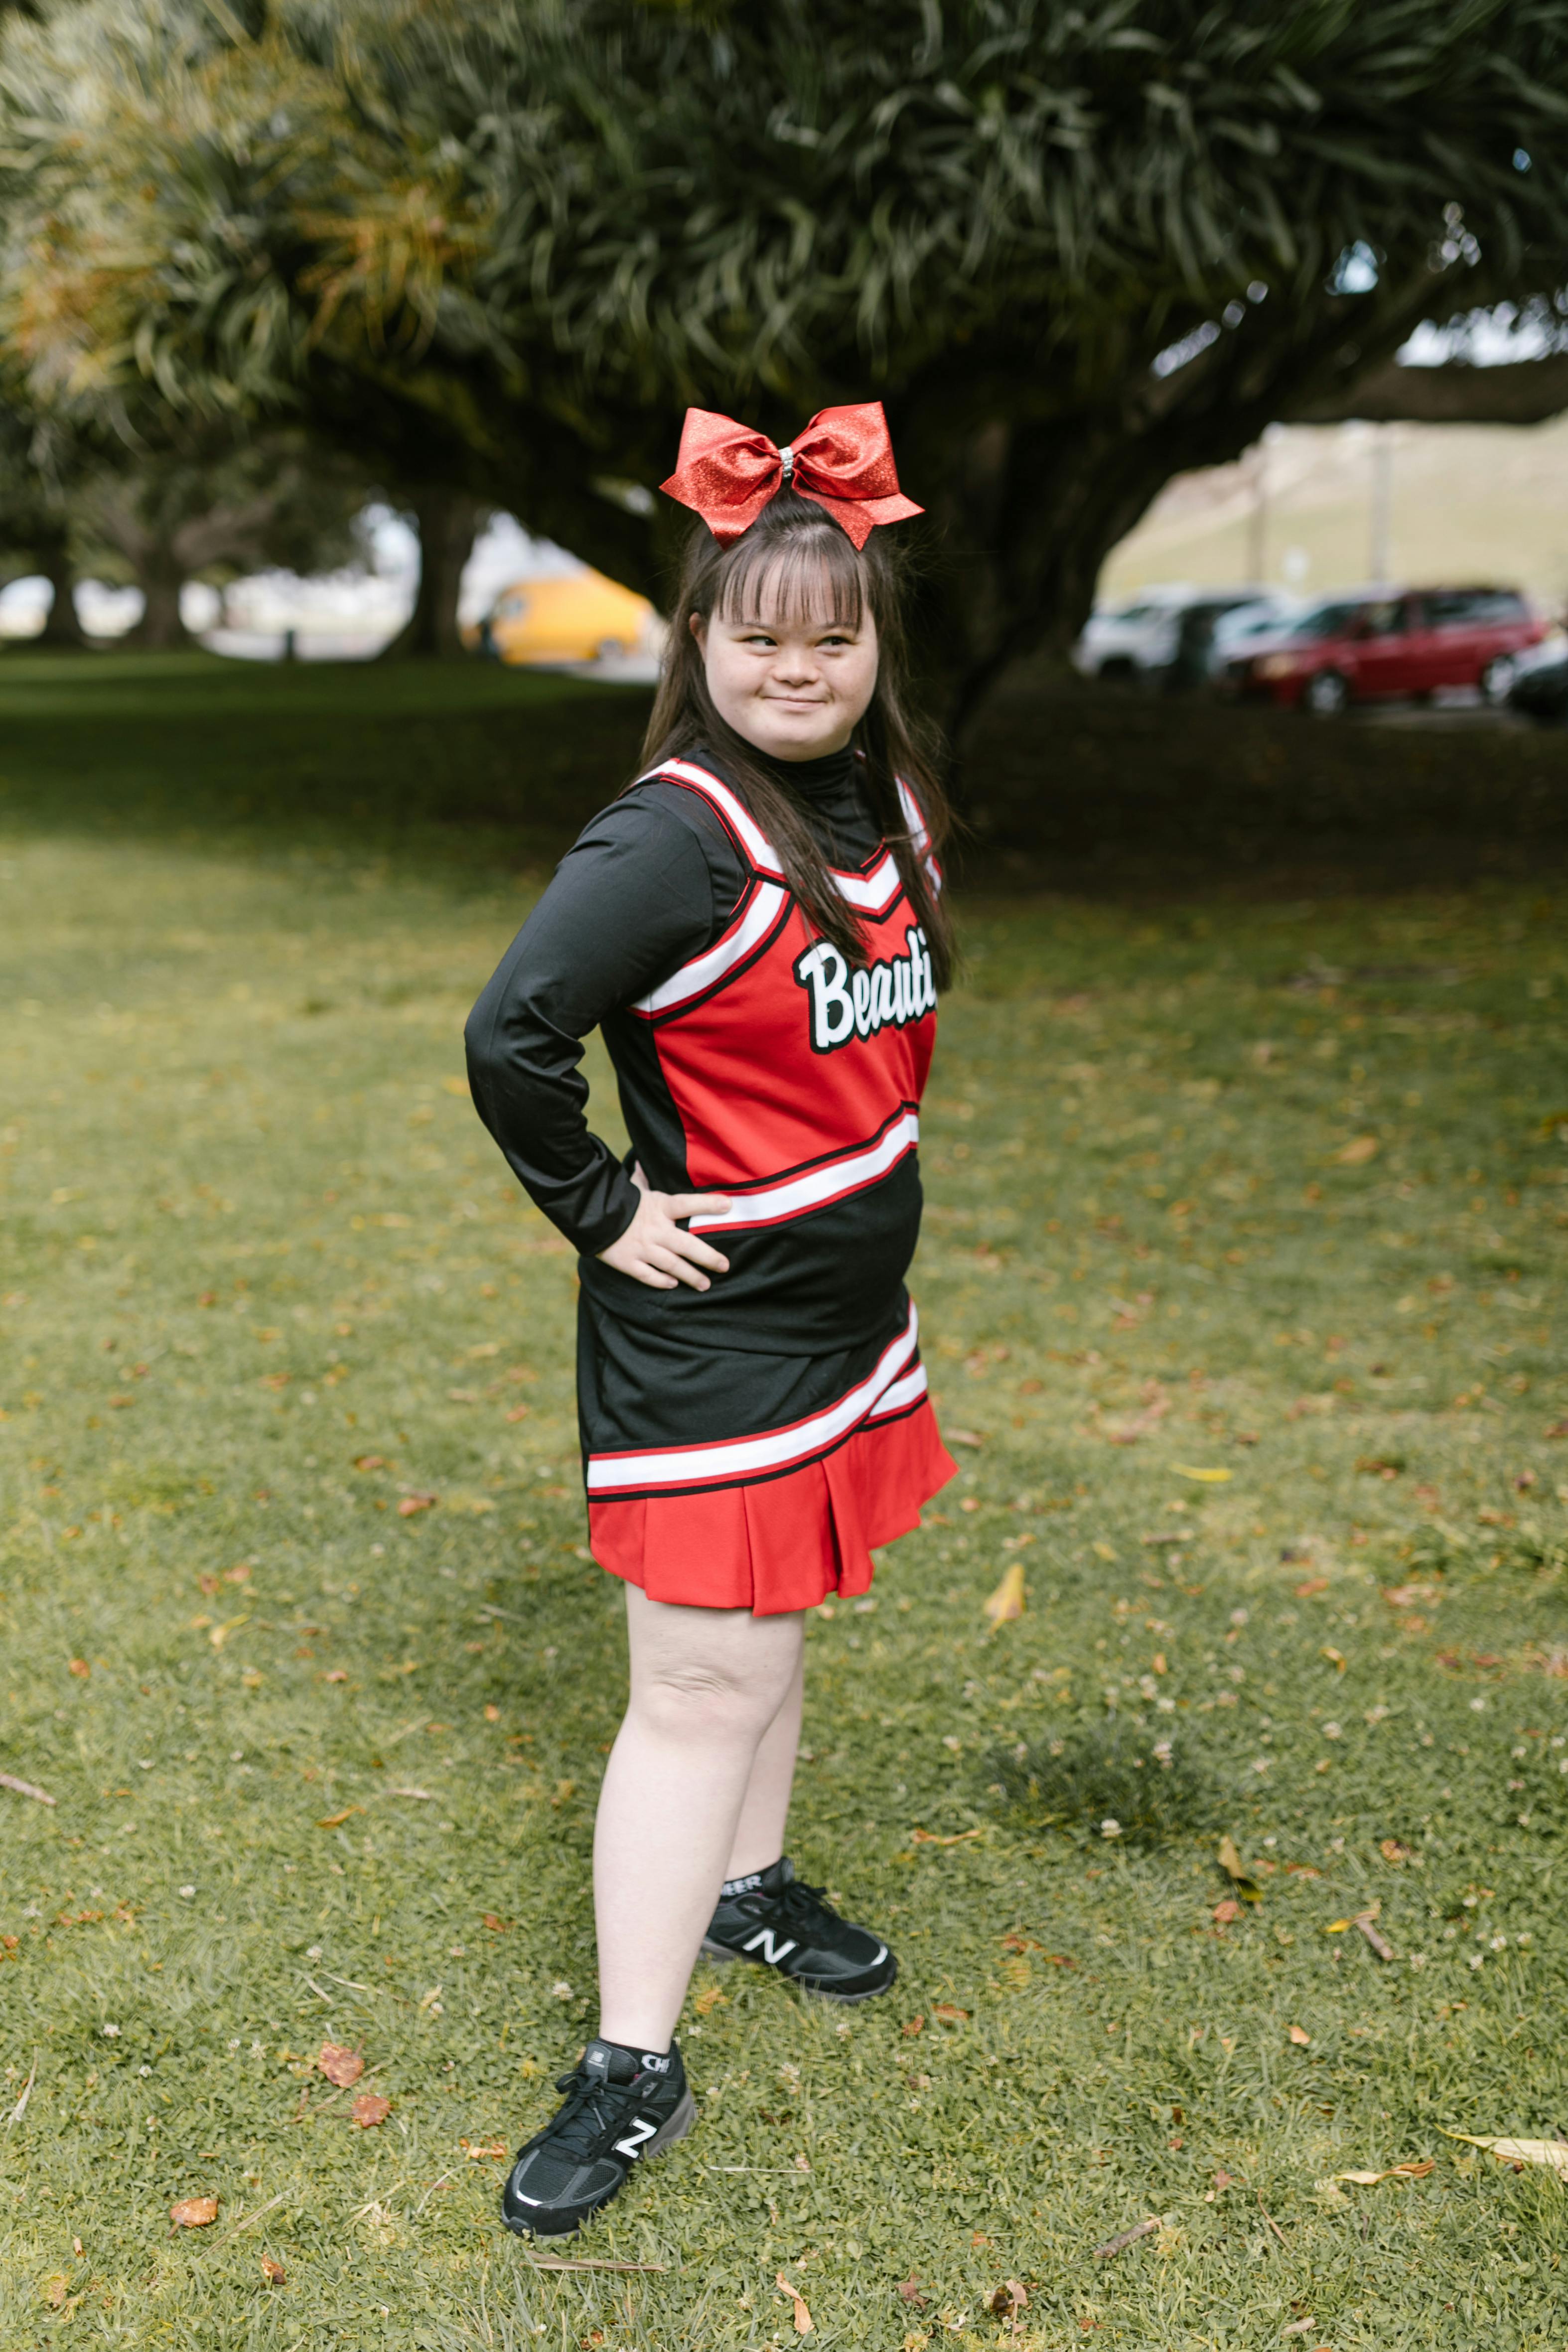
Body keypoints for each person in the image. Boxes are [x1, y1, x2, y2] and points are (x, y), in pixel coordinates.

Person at [464, 403, 958, 2239]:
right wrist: (603, 1209)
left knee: (774, 1638)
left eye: (832, 634)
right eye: (758, 633)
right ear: (700, 642)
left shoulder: (881, 797)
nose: (798, 664)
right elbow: (507, 1032)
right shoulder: (670, 841)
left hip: (842, 1320)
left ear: (873, 646)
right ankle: (629, 2060)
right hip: (711, 1348)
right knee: (695, 1682)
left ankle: (750, 1885)